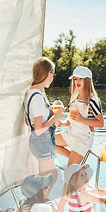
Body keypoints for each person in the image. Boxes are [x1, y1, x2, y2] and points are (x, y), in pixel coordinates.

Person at [24, 57, 64, 185]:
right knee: (49, 178)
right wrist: (55, 116)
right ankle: (40, 202)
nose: (53, 78)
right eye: (53, 74)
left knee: (49, 177)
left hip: (39, 142)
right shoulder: (38, 97)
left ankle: (40, 201)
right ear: (48, 73)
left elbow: (27, 121)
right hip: (43, 142)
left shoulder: (30, 92)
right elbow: (39, 130)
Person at [55, 66, 104, 165]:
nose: (77, 81)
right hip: (71, 134)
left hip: (82, 140)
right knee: (47, 141)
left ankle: (75, 161)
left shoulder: (92, 101)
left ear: (87, 80)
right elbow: (70, 121)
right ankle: (74, 160)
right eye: (75, 79)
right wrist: (62, 123)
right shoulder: (74, 99)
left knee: (69, 175)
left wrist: (82, 120)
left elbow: (101, 123)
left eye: (81, 78)